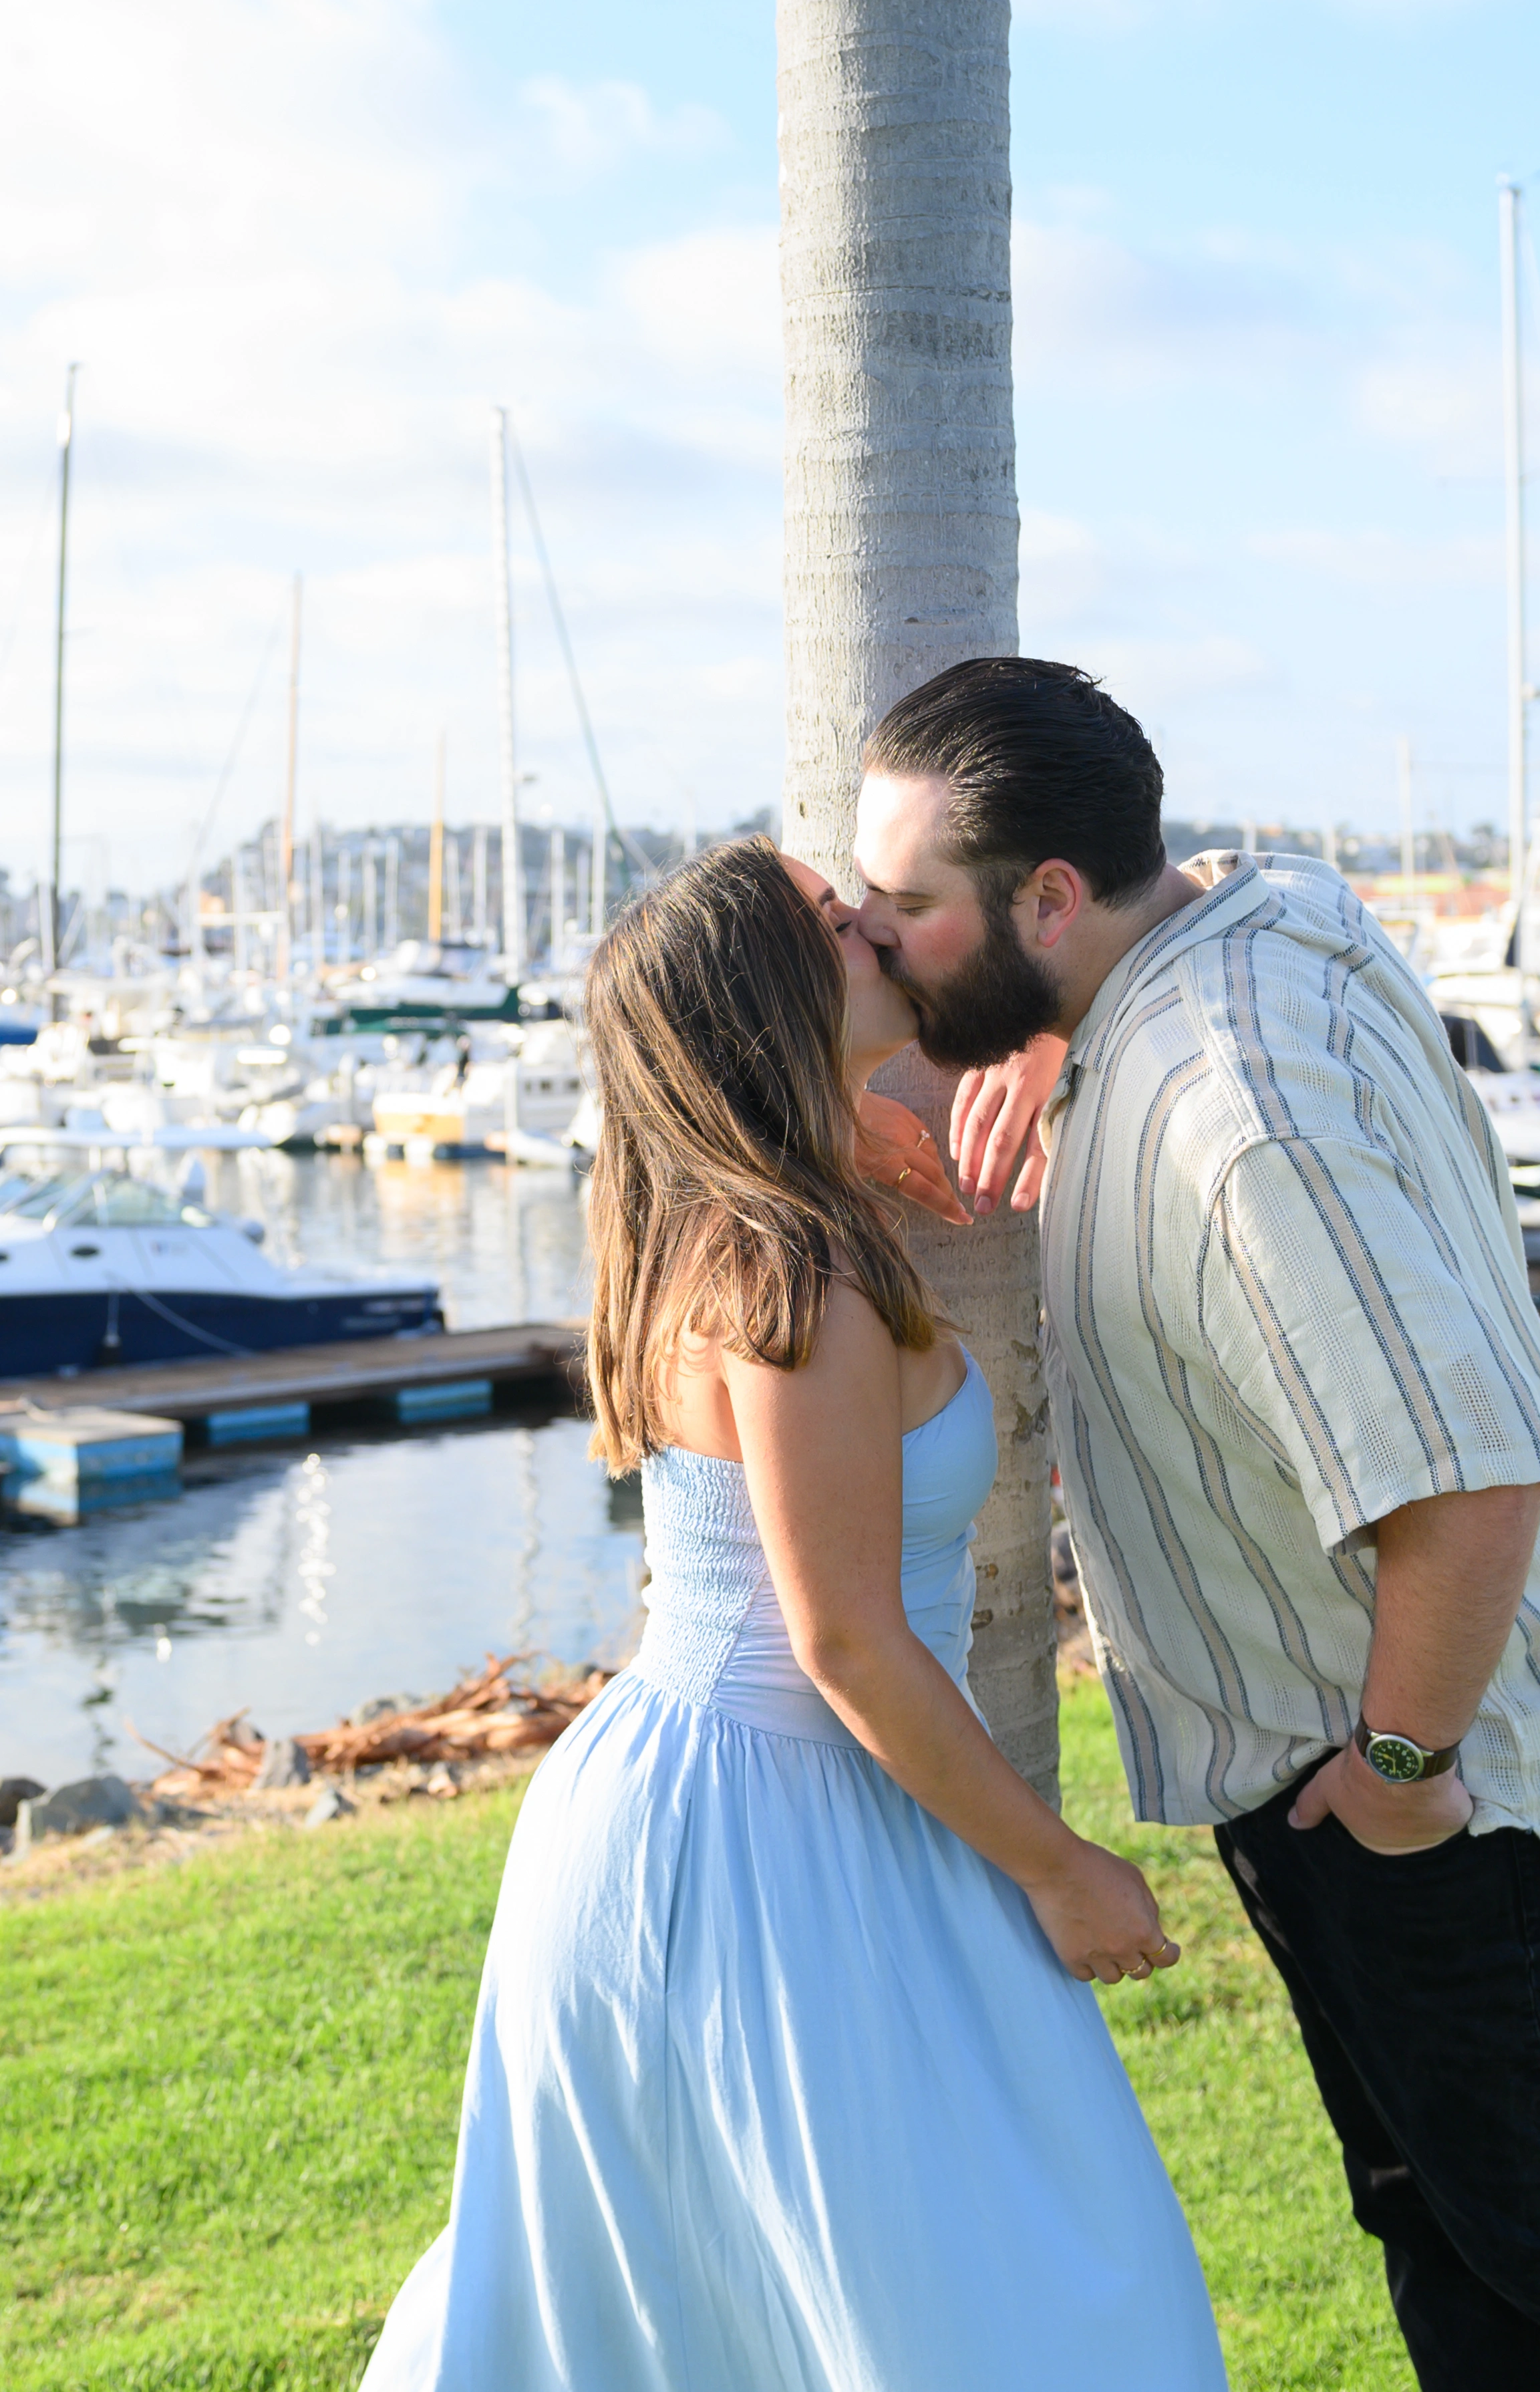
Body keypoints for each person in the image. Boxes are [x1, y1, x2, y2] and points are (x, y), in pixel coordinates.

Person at [850, 654, 1540, 2392]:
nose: (881, 938)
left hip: (1451, 1776)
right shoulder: (1236, 923)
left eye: (910, 907)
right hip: (1366, 1751)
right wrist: (1050, 1032)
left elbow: (1461, 1476)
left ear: (1050, 897)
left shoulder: (1227, 1108)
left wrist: (1396, 1778)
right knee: (1451, 2229)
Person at [361, 833, 1226, 2392]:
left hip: (751, 1799)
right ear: (769, 996)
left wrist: (983, 1063)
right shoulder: (791, 1272)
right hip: (773, 1828)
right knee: (1004, 2299)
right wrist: (1062, 1867)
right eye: (839, 923)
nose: (880, 931)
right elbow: (842, 1638)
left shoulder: (758, 1218)